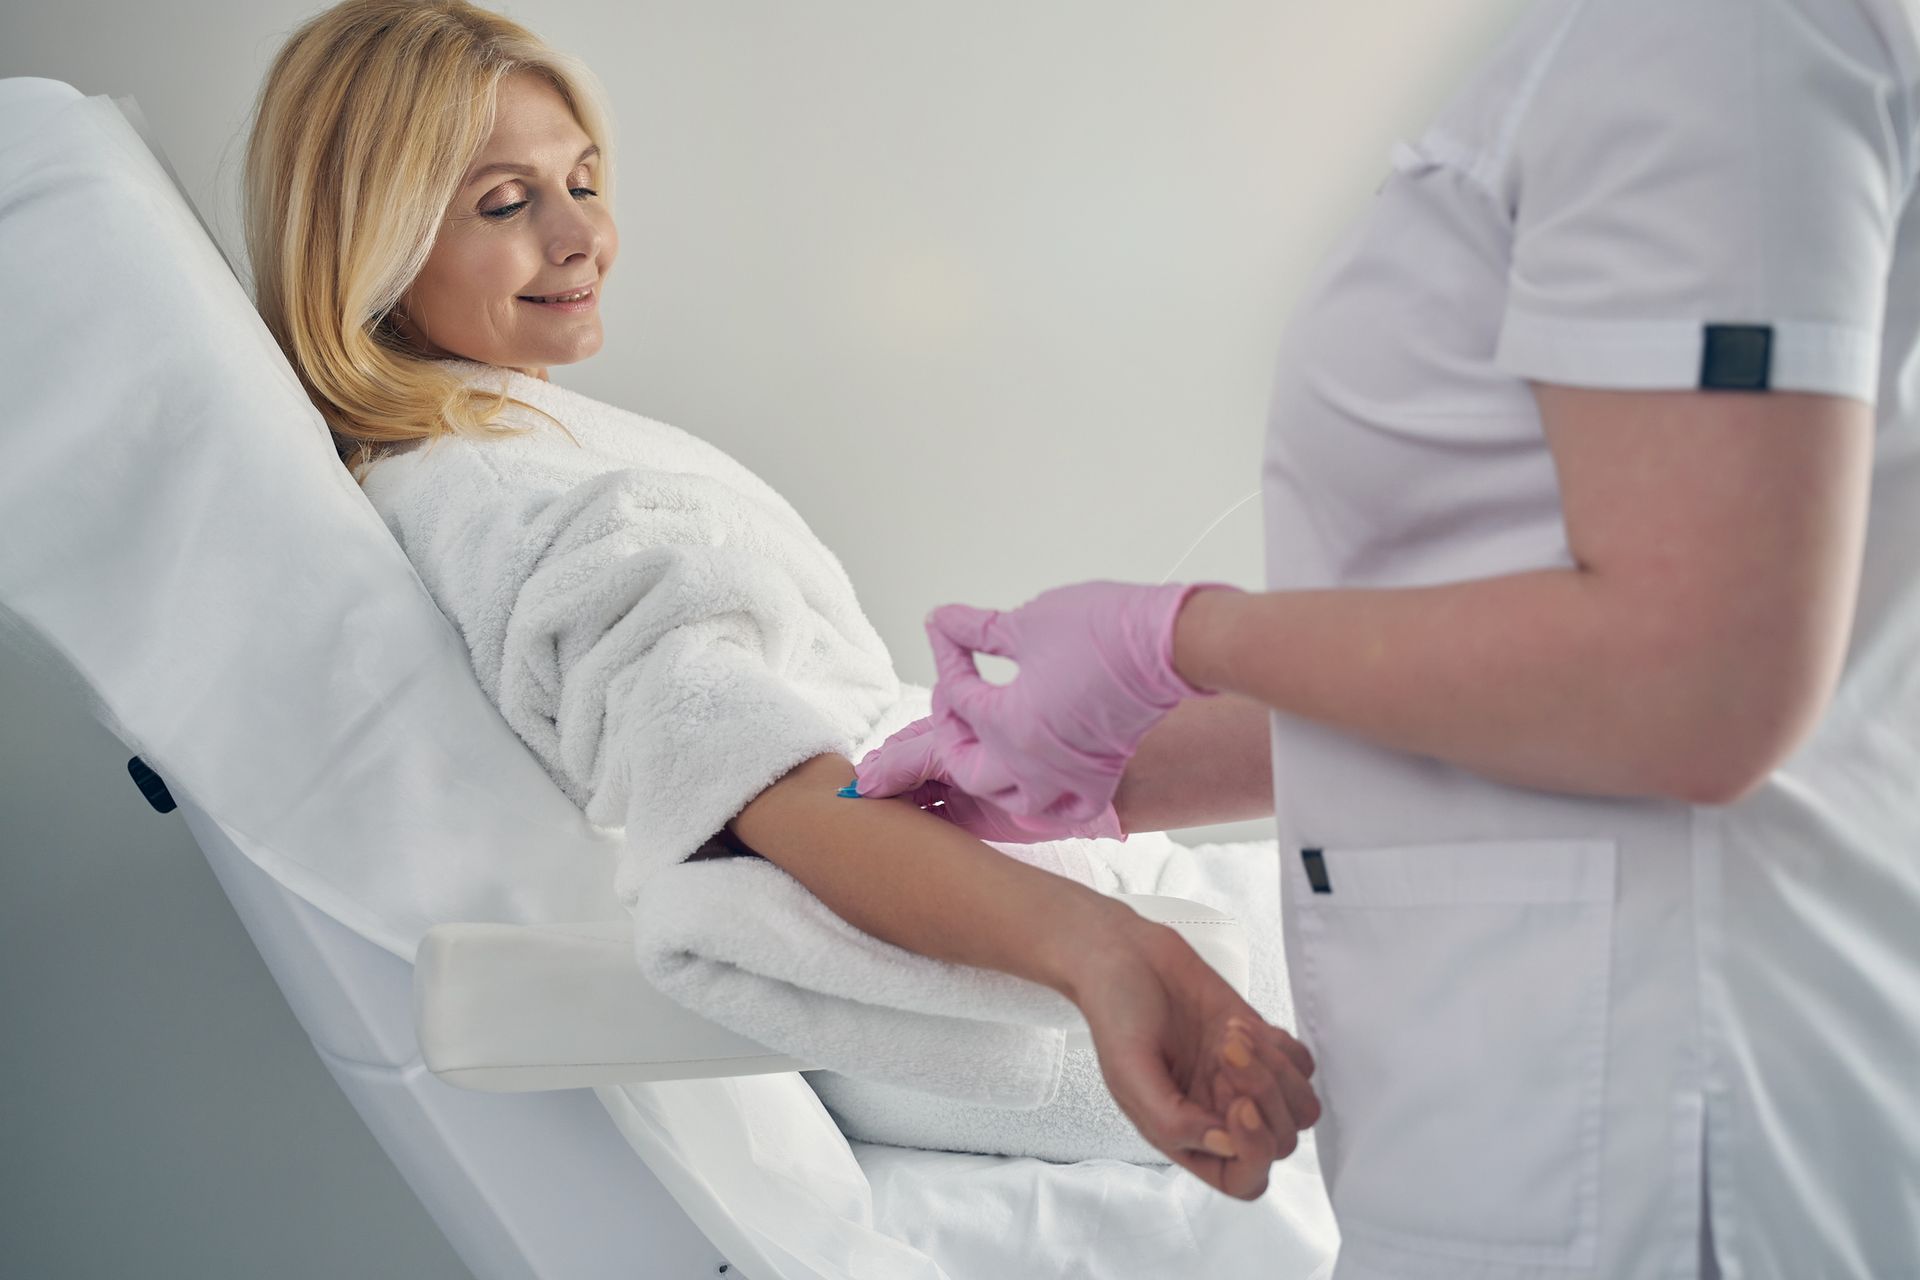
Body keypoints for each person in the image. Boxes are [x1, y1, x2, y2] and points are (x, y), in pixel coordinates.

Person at [854, 0, 1920, 1275]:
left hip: (1656, 1122)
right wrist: (1099, 764)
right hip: (1530, 1093)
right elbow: (1544, 628)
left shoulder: (1717, 38)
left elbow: (1701, 681)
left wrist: (1182, 640)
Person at [239, 0, 1322, 1201]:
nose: (579, 236)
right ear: (373, 244)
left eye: (585, 182)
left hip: (994, 898)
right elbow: (772, 799)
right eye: (507, 203)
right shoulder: (532, 506)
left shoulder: (498, 453)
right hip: (1004, 1003)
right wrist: (1110, 952)